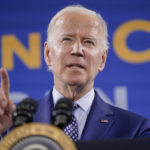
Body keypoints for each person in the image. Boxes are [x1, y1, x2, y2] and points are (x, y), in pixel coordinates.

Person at [0, 5, 150, 141]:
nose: (77, 50)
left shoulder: (136, 130)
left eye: (88, 42)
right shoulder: (14, 125)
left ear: (102, 59)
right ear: (48, 54)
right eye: (67, 39)